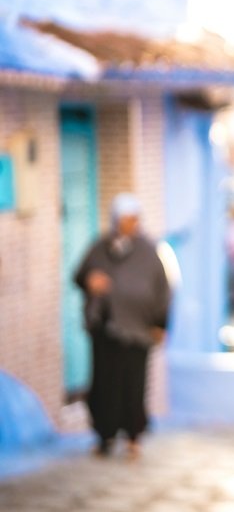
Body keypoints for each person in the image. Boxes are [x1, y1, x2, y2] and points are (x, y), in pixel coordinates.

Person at [73, 193, 171, 458]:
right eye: (127, 219)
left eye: (135, 219)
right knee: (105, 384)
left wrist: (160, 324)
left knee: (133, 385)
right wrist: (89, 281)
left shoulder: (148, 251)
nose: (131, 224)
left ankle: (133, 436)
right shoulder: (100, 247)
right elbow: (79, 275)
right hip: (105, 329)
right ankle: (104, 436)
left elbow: (163, 290)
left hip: (138, 330)